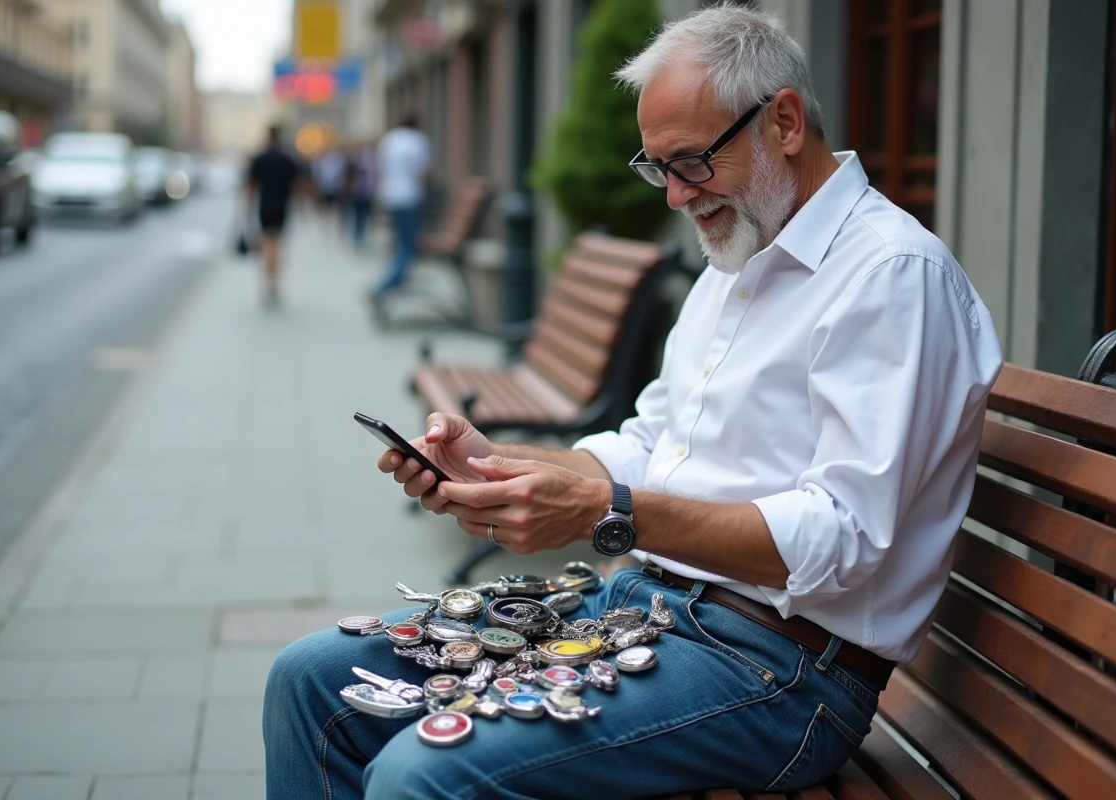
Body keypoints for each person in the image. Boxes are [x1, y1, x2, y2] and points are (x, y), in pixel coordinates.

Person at [263, 6, 1003, 798]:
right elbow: (654, 446)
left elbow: (847, 537)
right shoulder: (739, 260)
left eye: (692, 162)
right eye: (658, 169)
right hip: (644, 607)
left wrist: (598, 512)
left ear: (783, 120)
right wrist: (496, 465)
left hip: (782, 673)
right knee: (308, 680)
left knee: (424, 775)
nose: (677, 197)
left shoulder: (892, 276)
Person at [370, 113, 431, 300]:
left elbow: (381, 167)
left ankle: (397, 280)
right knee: (408, 245)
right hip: (409, 197)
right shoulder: (418, 140)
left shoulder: (390, 139)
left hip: (390, 195)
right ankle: (385, 285)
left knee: (400, 243)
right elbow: (423, 172)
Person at [246, 123, 302, 307]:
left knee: (267, 244)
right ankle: (273, 282)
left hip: (265, 206)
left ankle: (268, 280)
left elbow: (251, 187)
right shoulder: (287, 159)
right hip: (281, 207)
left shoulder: (259, 159)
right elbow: (296, 185)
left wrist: (246, 210)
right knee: (276, 244)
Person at [346, 139, 378, 248]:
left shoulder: (361, 160)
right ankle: (359, 236)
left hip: (364, 192)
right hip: (362, 191)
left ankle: (359, 235)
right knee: (360, 215)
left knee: (361, 215)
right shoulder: (364, 161)